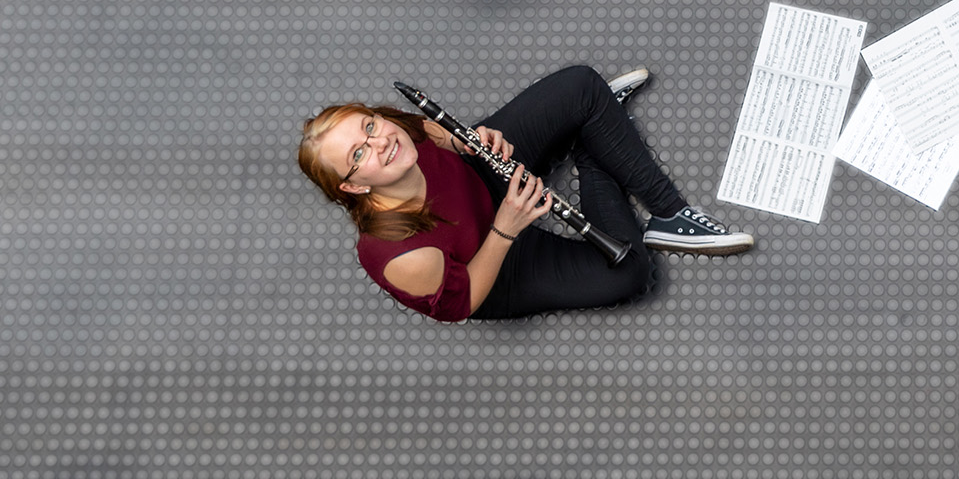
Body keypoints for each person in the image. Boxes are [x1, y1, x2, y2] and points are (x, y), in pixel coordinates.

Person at [295, 66, 751, 323]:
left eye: (370, 126)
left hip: (482, 173)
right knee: (627, 273)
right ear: (353, 186)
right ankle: (598, 142)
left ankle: (670, 214)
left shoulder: (396, 129)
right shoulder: (398, 253)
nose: (380, 142)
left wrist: (470, 139)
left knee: (582, 86)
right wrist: (506, 227)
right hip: (497, 266)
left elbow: (431, 132)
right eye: (359, 154)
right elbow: (460, 304)